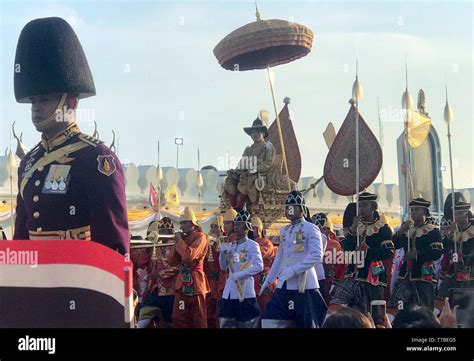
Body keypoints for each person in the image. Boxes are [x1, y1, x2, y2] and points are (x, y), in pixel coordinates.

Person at [12, 17, 128, 254]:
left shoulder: (96, 159)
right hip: (36, 283)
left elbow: (112, 245)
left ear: (71, 102)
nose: (36, 107)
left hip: (78, 281)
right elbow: (21, 238)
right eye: (33, 100)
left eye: (44, 99)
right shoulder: (29, 162)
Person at [260, 191, 327, 328]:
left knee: (308, 323)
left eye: (292, 207)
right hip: (284, 283)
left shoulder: (311, 228)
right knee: (270, 320)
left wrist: (294, 270)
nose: (288, 210)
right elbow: (279, 258)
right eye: (287, 207)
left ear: (301, 209)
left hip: (304, 284)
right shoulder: (284, 230)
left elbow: (316, 255)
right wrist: (268, 281)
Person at [330, 192, 394, 314]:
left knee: (369, 314)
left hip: (373, 279)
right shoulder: (355, 227)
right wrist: (353, 230)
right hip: (352, 276)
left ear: (373, 207)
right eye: (359, 206)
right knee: (337, 305)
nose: (361, 209)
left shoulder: (383, 229)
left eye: (364, 206)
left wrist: (366, 252)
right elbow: (345, 249)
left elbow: (387, 253)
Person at [389, 198, 444, 312]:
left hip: (424, 275)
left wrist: (417, 255)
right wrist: (400, 231)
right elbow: (393, 245)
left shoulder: (433, 232)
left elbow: (436, 253)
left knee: (423, 308)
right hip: (405, 275)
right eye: (412, 210)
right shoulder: (407, 230)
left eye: (416, 210)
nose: (413, 213)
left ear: (425, 212)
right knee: (398, 306)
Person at [223, 111, 284, 209]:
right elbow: (242, 164)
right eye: (253, 132)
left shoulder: (268, 146)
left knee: (245, 179)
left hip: (260, 174)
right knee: (230, 179)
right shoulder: (249, 149)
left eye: (257, 132)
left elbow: (268, 164)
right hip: (246, 172)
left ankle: (240, 207)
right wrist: (234, 171)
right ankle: (232, 206)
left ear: (263, 133)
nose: (255, 134)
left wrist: (254, 169)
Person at [218, 210, 264, 328]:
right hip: (229, 292)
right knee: (226, 324)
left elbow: (259, 266)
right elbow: (223, 267)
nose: (236, 227)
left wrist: (240, 274)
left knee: (248, 325)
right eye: (236, 224)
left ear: (247, 226)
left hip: (245, 292)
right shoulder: (232, 245)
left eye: (240, 224)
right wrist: (223, 252)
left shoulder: (252, 245)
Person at [167, 207, 210, 328]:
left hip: (196, 283)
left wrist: (180, 241)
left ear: (193, 223)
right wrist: (176, 243)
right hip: (182, 284)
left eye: (184, 222)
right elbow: (171, 261)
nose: (181, 226)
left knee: (199, 319)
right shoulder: (183, 239)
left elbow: (189, 256)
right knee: (178, 316)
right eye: (180, 223)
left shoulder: (201, 237)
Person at [137, 218, 179, 328]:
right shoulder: (156, 247)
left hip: (170, 291)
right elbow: (141, 262)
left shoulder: (176, 248)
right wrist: (146, 247)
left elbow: (179, 268)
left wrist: (160, 274)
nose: (161, 234)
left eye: (164, 231)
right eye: (160, 231)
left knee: (169, 323)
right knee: (143, 316)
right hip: (154, 290)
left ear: (170, 232)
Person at [438, 200, 474, 300]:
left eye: (460, 213)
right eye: (455, 214)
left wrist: (464, 258)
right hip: (454, 272)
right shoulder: (453, 231)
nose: (457, 216)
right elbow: (442, 249)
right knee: (442, 297)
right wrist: (450, 235)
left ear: (467, 214)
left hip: (471, 272)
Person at [312, 213, 346, 303]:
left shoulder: (334, 244)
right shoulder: (310, 243)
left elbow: (340, 266)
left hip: (329, 281)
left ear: (328, 230)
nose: (319, 231)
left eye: (322, 229)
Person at [250, 215, 277, 313]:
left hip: (263, 279)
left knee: (265, 310)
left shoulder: (266, 243)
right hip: (251, 280)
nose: (249, 230)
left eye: (252, 227)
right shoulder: (248, 243)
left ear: (258, 229)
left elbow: (257, 256)